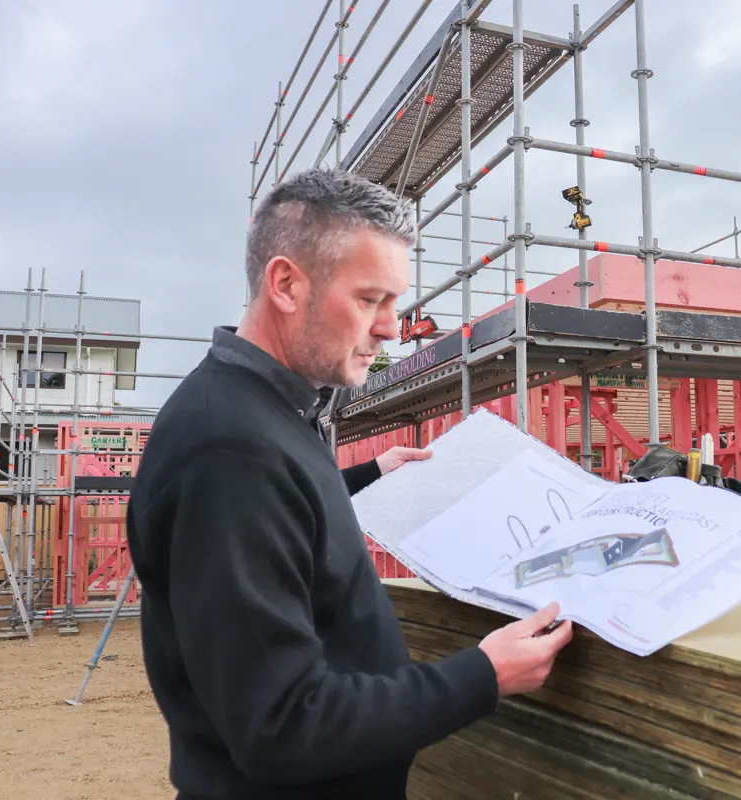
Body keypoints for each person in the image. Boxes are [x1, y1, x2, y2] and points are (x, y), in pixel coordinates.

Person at [126, 168, 573, 800]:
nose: (392, 328)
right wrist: (483, 675)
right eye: (370, 299)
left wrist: (367, 474)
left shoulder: (270, 413)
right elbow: (282, 725)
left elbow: (286, 510)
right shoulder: (228, 451)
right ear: (286, 284)